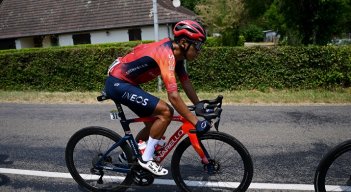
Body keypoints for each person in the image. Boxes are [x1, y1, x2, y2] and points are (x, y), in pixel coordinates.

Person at [104, 20, 211, 176]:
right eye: (198, 46)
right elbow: (173, 96)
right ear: (183, 43)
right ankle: (146, 159)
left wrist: (199, 105)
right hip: (118, 83)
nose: (199, 51)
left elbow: (185, 82)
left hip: (126, 82)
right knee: (166, 111)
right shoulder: (166, 54)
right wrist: (196, 122)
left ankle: (128, 157)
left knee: (155, 122)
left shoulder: (177, 56)